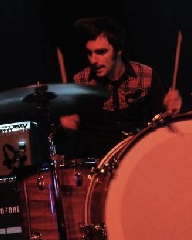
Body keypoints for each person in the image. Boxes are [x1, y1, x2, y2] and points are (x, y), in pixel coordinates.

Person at [58, 16, 182, 159]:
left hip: (137, 158)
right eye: (89, 53)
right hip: (97, 166)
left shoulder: (145, 76)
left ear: (118, 50)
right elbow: (66, 137)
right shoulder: (80, 82)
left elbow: (162, 121)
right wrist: (67, 127)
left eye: (101, 52)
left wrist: (170, 109)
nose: (93, 60)